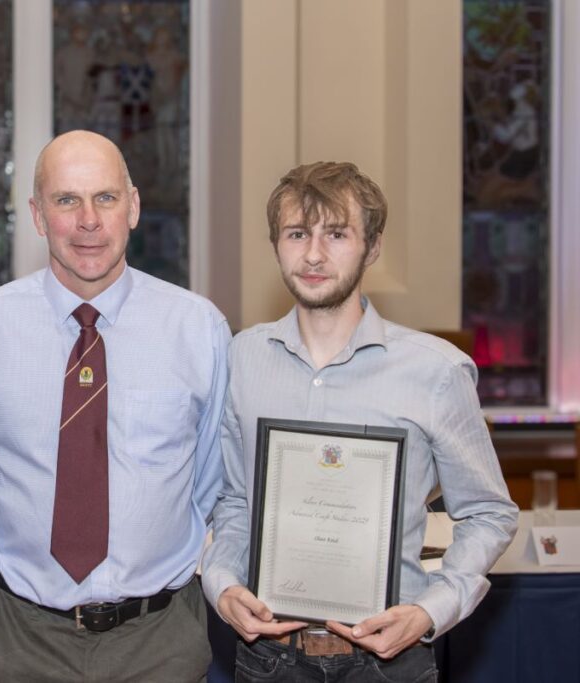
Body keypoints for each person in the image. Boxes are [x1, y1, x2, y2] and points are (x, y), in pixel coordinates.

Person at [201, 161, 519, 681]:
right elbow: (235, 500)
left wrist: (431, 610)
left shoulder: (435, 372)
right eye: (297, 233)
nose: (314, 254)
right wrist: (223, 583)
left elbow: (489, 513)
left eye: (337, 234)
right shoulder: (242, 359)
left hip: (390, 663)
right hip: (268, 659)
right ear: (276, 244)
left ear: (372, 247)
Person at [0, 129, 230, 682]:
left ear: (132, 207)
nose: (88, 220)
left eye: (105, 198)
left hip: (160, 641)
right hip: (18, 638)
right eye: (66, 200)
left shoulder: (198, 330)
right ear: (37, 215)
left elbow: (211, 481)